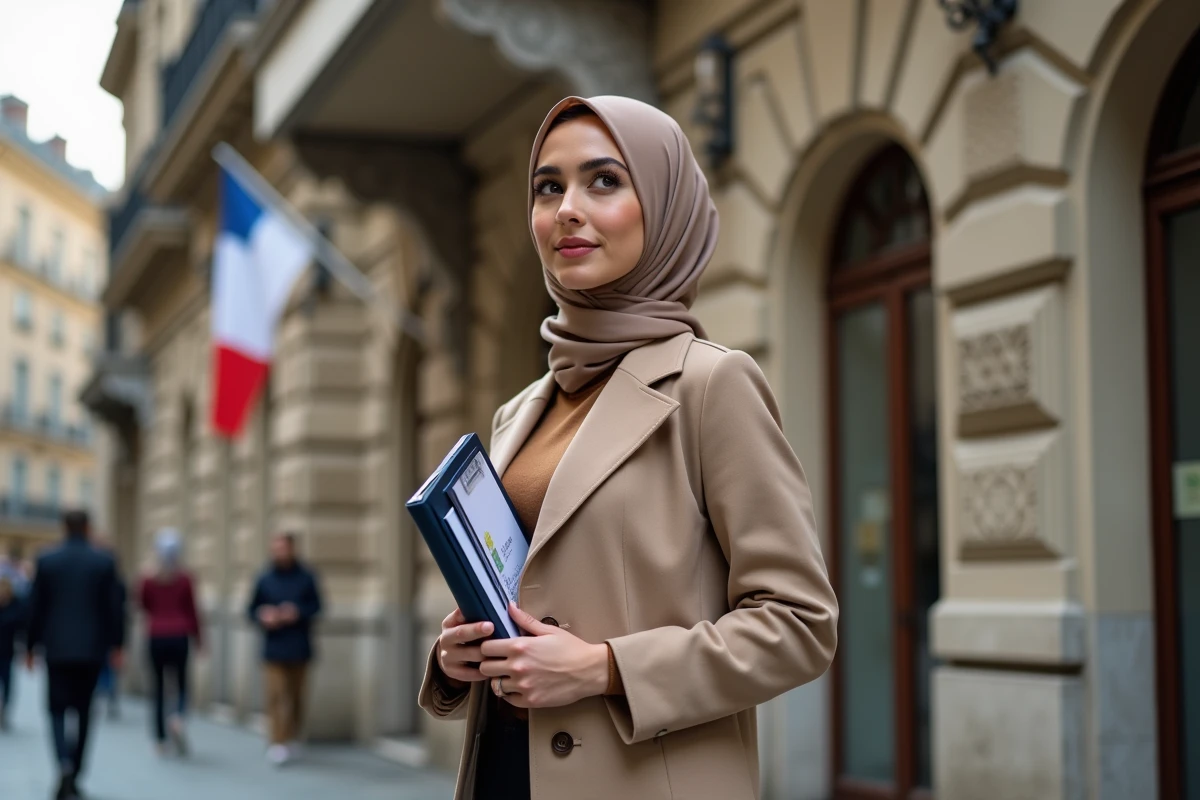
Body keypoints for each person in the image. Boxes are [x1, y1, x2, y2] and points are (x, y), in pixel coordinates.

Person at [418, 96, 839, 800]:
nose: (568, 209)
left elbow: (799, 626)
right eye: (549, 187)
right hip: (504, 771)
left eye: (604, 181)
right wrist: (456, 654)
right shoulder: (521, 410)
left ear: (664, 206)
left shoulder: (711, 384)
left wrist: (604, 669)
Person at [26, 510, 125, 800]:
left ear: (63, 527)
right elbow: (115, 609)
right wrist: (117, 645)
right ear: (88, 527)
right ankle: (77, 769)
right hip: (92, 650)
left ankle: (63, 764)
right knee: (84, 712)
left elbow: (36, 608)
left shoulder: (47, 560)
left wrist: (30, 646)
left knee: (56, 710)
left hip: (56, 649)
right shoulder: (104, 562)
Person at [246, 532, 322, 766]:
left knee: (297, 697)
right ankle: (277, 741)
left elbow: (318, 607)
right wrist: (263, 615)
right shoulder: (264, 578)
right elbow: (250, 610)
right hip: (274, 647)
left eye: (283, 548)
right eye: (276, 548)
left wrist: (296, 612)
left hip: (299, 646)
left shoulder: (306, 577)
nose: (280, 552)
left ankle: (293, 736)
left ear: (292, 549)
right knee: (276, 696)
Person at [139, 528, 202, 756]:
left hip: (156, 635)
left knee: (157, 688)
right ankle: (177, 716)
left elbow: (143, 605)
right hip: (180, 635)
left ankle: (160, 739)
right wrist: (199, 639)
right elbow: (193, 610)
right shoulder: (185, 578)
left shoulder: (148, 578)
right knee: (182, 682)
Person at [91, 533, 126, 722]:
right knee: (108, 667)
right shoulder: (117, 582)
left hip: (100, 631)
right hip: (108, 630)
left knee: (103, 666)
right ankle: (108, 697)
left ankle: (104, 696)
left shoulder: (103, 581)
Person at [0, 575, 27, 730]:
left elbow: (21, 623)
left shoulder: (15, 605)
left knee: (7, 682)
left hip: (6, 650)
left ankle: (5, 710)